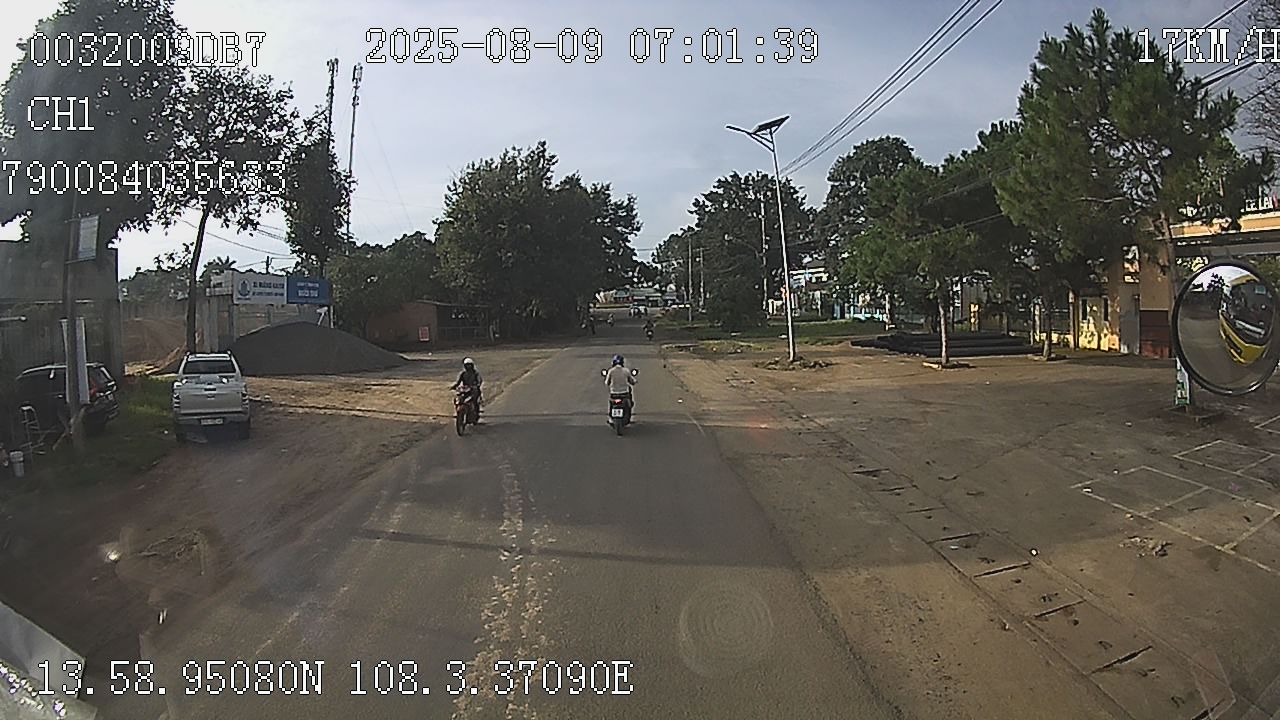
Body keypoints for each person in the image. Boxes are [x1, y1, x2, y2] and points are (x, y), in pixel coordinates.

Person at [603, 353, 637, 421]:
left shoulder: (611, 371)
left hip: (614, 394)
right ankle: (627, 416)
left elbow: (607, 383)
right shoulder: (626, 371)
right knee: (629, 404)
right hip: (624, 393)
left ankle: (611, 418)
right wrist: (634, 381)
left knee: (611, 404)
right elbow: (632, 381)